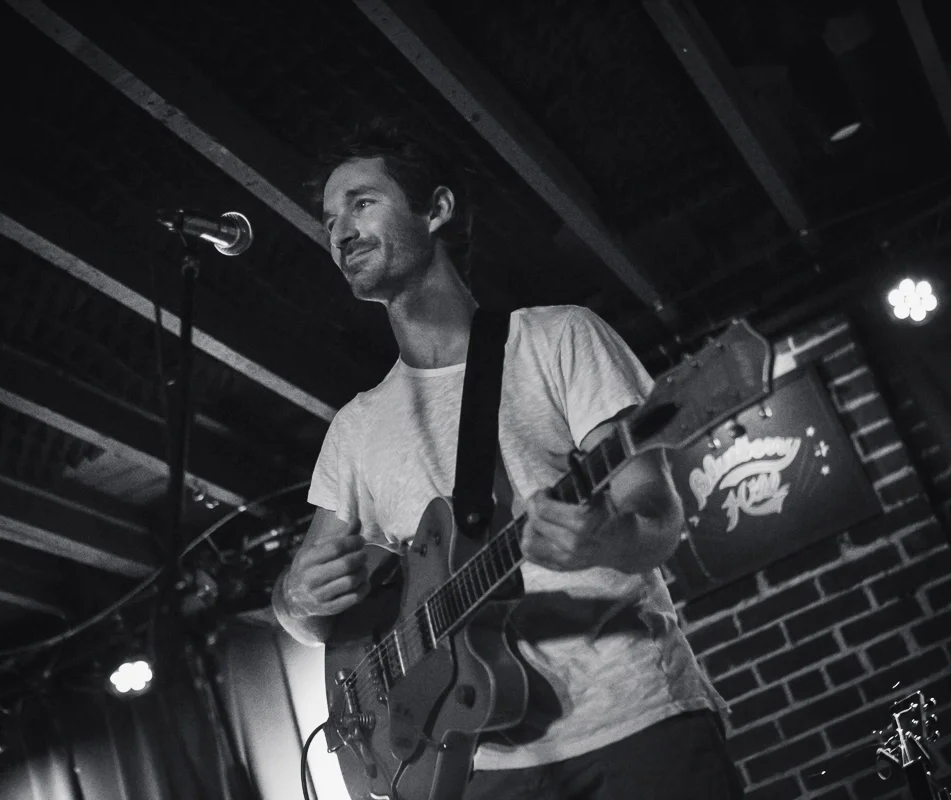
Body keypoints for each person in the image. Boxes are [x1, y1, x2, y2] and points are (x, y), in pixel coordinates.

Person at [271, 120, 743, 799]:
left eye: (362, 203)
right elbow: (307, 612)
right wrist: (294, 598)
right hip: (474, 764)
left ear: (436, 209)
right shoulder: (355, 429)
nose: (340, 230)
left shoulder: (559, 338)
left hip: (635, 723)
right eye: (328, 220)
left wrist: (598, 542)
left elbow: (658, 522)